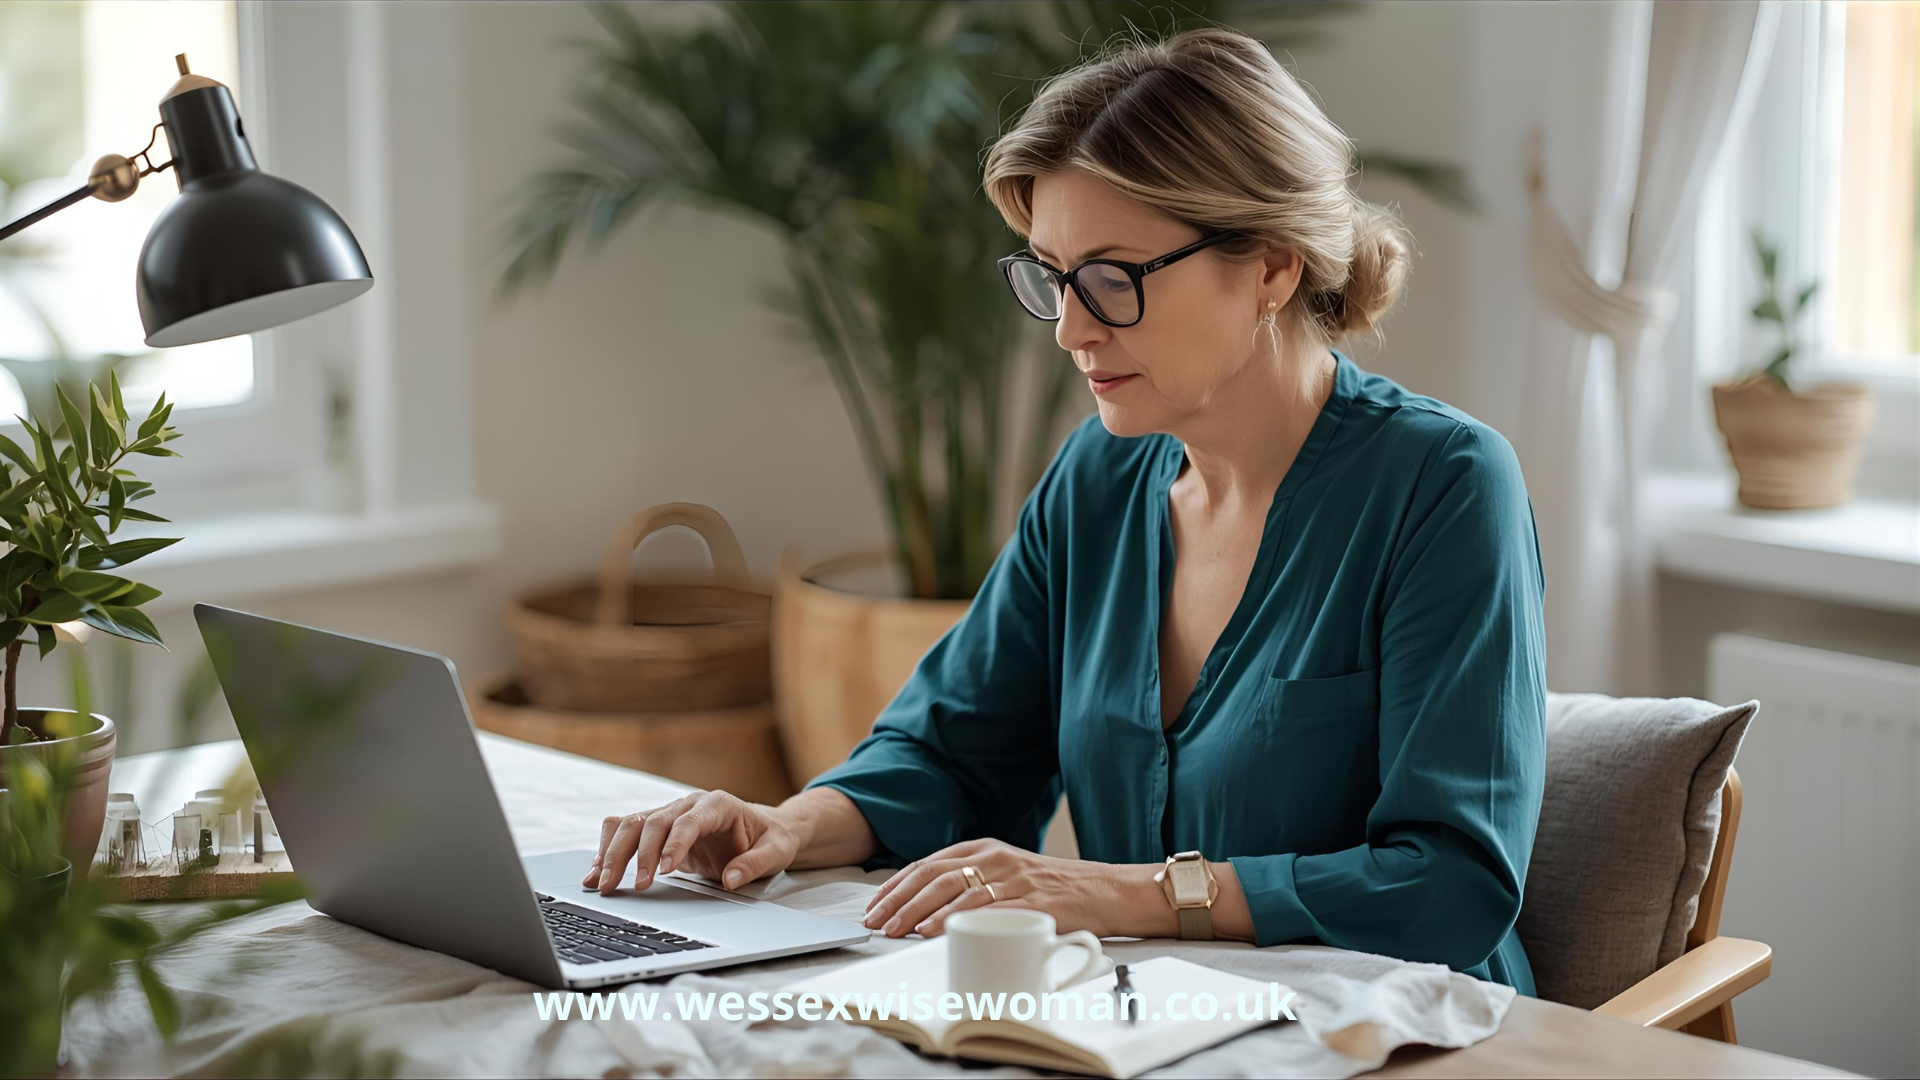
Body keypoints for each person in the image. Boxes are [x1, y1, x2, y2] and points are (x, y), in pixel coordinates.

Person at [584, 27, 1547, 992]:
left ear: (1271, 265)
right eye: (1051, 276)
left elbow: (1451, 883)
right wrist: (786, 827)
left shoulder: (1446, 486)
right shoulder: (1099, 480)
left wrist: (1106, 894)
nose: (1073, 329)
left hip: (1414, 1032)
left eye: (1112, 279)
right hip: (1161, 1028)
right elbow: (955, 749)